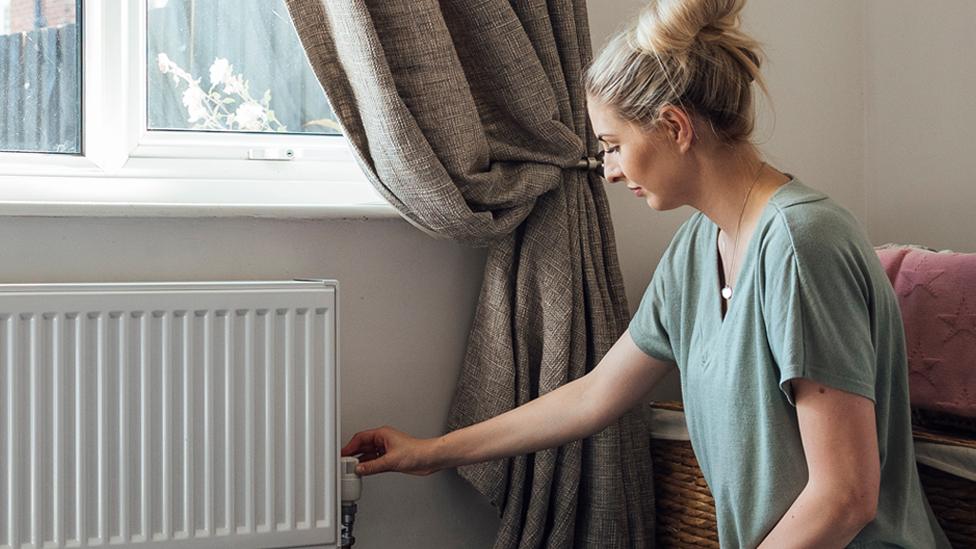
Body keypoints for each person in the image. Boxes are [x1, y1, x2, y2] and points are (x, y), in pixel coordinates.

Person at [341, 0, 952, 546]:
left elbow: (844, 497)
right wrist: (430, 453)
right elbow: (593, 395)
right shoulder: (695, 249)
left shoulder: (800, 242)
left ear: (676, 127)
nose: (606, 170)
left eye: (611, 144)